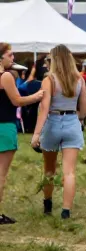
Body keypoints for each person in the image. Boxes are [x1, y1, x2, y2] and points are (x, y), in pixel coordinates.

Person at [29, 46, 86, 219]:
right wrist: (73, 116)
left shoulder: (49, 80)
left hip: (53, 123)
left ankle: (47, 203)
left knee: (49, 169)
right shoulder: (79, 79)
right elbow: (85, 110)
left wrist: (36, 134)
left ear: (54, 60)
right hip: (72, 122)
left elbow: (44, 108)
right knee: (69, 171)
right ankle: (66, 211)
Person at [0, 43, 45, 224]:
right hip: (4, 126)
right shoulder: (6, 77)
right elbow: (17, 100)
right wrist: (37, 96)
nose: (13, 58)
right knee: (1, 173)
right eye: (10, 55)